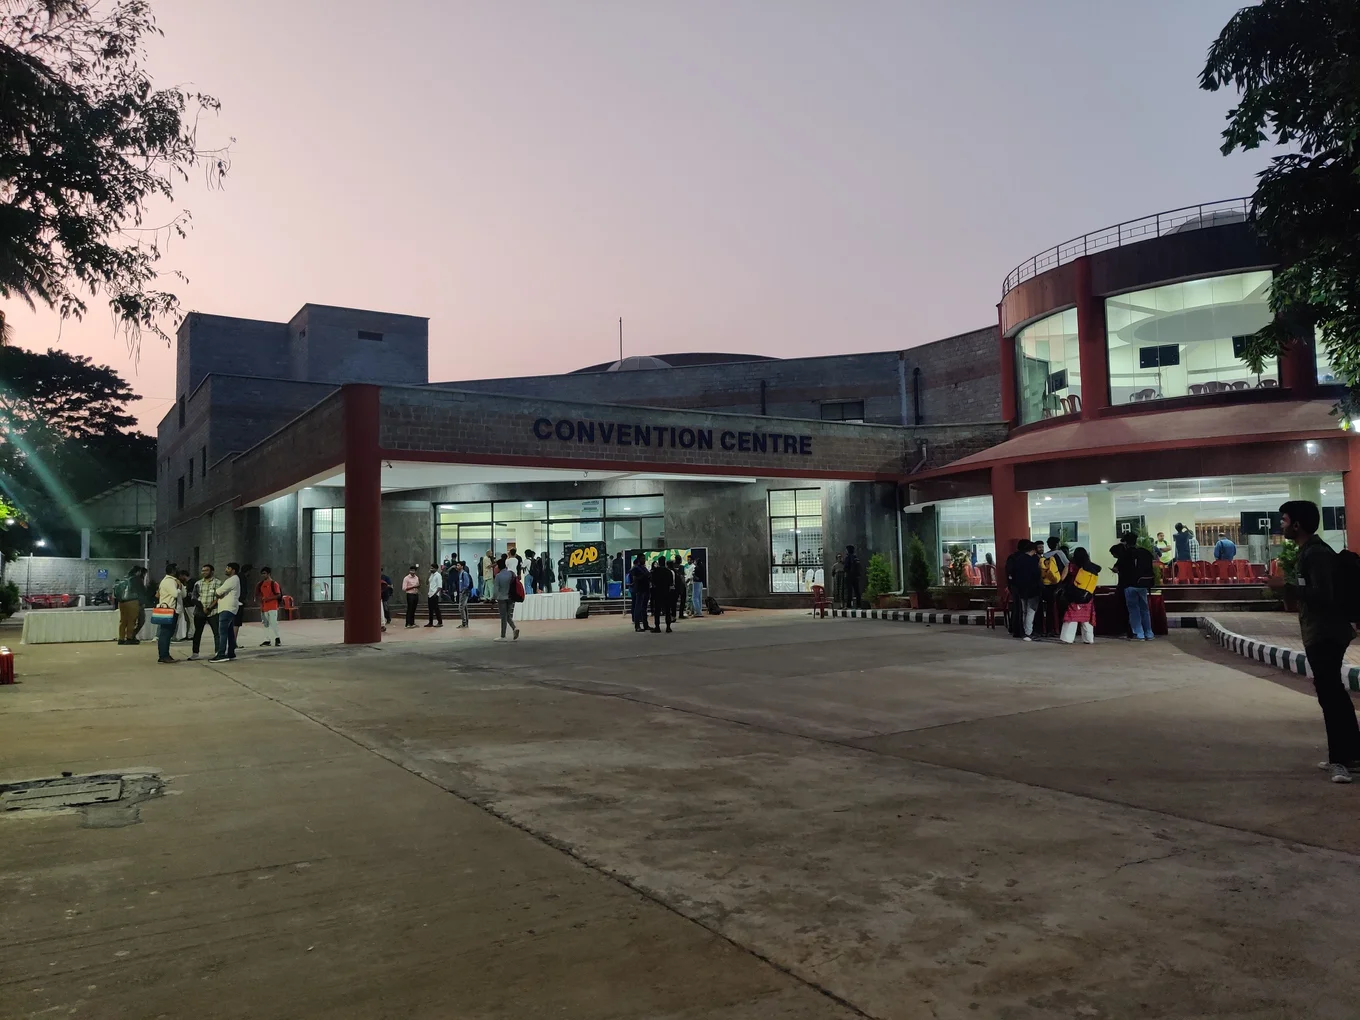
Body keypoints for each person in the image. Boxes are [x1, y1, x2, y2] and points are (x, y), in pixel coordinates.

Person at [1269, 500, 1360, 783]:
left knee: (1330, 695)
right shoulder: (1308, 552)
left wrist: (1284, 587)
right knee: (1333, 693)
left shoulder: (1316, 554)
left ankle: (1340, 762)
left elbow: (1323, 595)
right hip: (1320, 632)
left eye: (1284, 520)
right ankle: (1352, 754)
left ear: (1297, 524)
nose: (1281, 525)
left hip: (1326, 633)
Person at [1109, 533, 1155, 641]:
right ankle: (1149, 633)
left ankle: (1139, 634)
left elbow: (1118, 568)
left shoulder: (1125, 554)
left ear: (1126, 543)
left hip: (1129, 585)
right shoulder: (1145, 552)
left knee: (1134, 610)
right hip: (1144, 584)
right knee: (1145, 609)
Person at [1058, 548, 1099, 645]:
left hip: (1074, 593)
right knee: (1086, 618)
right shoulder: (1090, 566)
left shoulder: (1070, 566)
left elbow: (1062, 578)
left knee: (1072, 616)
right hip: (1087, 595)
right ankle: (1088, 639)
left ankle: (1067, 638)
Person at [1011, 541, 1043, 641]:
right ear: (1033, 549)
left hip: (1021, 590)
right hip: (1033, 590)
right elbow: (1037, 575)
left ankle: (1025, 632)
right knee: (1031, 612)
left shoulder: (1018, 559)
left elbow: (1014, 575)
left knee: (1024, 611)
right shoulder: (1034, 560)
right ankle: (1029, 632)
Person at [210, 562, 241, 661]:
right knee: (229, 631)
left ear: (233, 570)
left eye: (228, 568)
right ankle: (231, 653)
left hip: (227, 608)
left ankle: (221, 654)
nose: (226, 569)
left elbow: (218, 592)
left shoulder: (232, 580)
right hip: (230, 608)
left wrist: (218, 593)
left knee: (222, 632)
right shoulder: (234, 579)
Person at [1039, 537, 1069, 637]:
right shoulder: (1059, 553)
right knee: (1059, 608)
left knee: (1049, 608)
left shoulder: (1044, 556)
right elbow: (1067, 566)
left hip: (1047, 585)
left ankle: (1048, 629)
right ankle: (1058, 629)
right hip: (1058, 584)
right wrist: (1062, 580)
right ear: (1057, 544)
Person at [189, 563, 219, 660]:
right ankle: (195, 653)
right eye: (203, 570)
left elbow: (219, 597)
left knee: (217, 633)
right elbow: (193, 597)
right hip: (199, 612)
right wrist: (202, 607)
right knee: (197, 633)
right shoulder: (198, 583)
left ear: (212, 571)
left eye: (206, 570)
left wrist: (209, 608)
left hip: (213, 611)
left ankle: (218, 652)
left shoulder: (217, 583)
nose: (204, 572)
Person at [153, 567, 183, 664]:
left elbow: (184, 595)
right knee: (165, 634)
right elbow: (175, 594)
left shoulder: (172, 581)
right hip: (169, 610)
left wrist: (180, 586)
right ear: (173, 571)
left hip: (172, 610)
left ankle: (165, 654)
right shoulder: (169, 581)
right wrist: (178, 588)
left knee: (167, 634)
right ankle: (164, 656)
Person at [115, 566, 148, 645]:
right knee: (131, 620)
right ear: (138, 572)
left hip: (122, 602)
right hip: (132, 601)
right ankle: (129, 638)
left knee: (123, 621)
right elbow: (142, 591)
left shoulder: (125, 578)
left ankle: (121, 639)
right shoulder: (136, 579)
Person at [253, 567, 283, 647]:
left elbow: (278, 595)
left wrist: (268, 599)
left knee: (273, 623)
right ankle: (267, 639)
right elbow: (258, 595)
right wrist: (260, 603)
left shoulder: (274, 584)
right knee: (265, 624)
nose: (263, 575)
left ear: (269, 574)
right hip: (264, 607)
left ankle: (277, 638)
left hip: (273, 606)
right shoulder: (260, 584)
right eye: (262, 573)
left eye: (264, 573)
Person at [493, 554, 520, 640]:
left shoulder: (498, 576)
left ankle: (503, 635)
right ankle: (514, 628)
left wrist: (493, 598)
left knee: (503, 617)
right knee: (508, 616)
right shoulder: (511, 574)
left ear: (498, 567)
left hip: (501, 598)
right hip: (510, 597)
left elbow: (496, 589)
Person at [649, 556, 674, 633]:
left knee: (657, 611)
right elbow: (671, 583)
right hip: (666, 592)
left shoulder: (655, 571)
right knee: (667, 610)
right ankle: (668, 627)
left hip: (657, 592)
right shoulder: (668, 571)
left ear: (659, 562)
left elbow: (652, 582)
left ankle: (657, 627)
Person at [629, 553, 650, 633]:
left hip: (646, 589)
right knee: (638, 608)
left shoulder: (644, 568)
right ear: (638, 559)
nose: (643, 560)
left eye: (644, 558)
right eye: (642, 559)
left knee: (644, 608)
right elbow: (634, 579)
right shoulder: (635, 569)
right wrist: (644, 576)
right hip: (639, 590)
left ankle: (646, 624)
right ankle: (637, 625)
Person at [425, 563, 444, 627]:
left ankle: (440, 622)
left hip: (434, 594)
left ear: (436, 569)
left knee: (436, 609)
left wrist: (435, 594)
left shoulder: (438, 575)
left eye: (432, 568)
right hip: (430, 594)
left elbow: (439, 586)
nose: (431, 569)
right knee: (430, 609)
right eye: (430, 568)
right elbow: (427, 583)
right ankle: (430, 622)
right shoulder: (431, 575)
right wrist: (428, 574)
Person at [843, 546, 861, 610]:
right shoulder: (856, 557)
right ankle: (859, 605)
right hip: (856, 577)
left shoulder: (847, 557)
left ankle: (848, 605)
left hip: (849, 576)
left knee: (849, 591)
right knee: (857, 591)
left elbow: (845, 567)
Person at [686, 553, 703, 618]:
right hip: (699, 583)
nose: (688, 561)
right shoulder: (700, 568)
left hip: (695, 583)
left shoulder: (695, 568)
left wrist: (691, 578)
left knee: (694, 598)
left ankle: (696, 611)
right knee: (698, 598)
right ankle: (698, 611)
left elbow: (693, 576)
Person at [456, 560, 472, 627]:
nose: (457, 566)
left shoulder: (464, 574)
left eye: (458, 565)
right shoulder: (460, 574)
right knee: (464, 607)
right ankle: (465, 622)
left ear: (462, 566)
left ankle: (464, 622)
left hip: (464, 592)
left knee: (461, 607)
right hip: (462, 592)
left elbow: (467, 584)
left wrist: (463, 591)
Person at [671, 555, 686, 620]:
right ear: (680, 560)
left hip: (675, 586)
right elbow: (682, 576)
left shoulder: (672, 567)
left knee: (674, 601)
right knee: (682, 600)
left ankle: (673, 614)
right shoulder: (681, 567)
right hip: (681, 586)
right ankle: (681, 614)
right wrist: (684, 584)